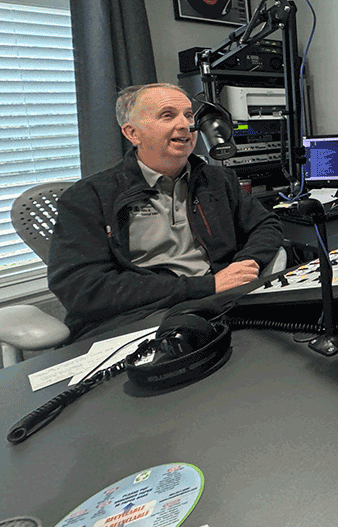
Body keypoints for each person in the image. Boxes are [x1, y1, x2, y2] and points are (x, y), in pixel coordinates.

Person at [48, 83, 284, 341]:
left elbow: (267, 225)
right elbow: (83, 288)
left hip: (219, 305)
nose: (185, 125)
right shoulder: (87, 197)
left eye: (188, 115)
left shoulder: (218, 180)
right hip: (140, 318)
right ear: (132, 133)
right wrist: (206, 285)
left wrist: (245, 265)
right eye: (167, 115)